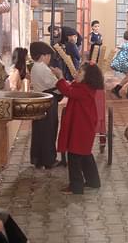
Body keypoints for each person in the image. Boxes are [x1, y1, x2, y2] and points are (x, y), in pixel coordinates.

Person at [51, 62, 104, 195]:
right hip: (82, 127)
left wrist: (61, 77)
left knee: (74, 156)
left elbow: (68, 91)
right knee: (85, 154)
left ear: (88, 76)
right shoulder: (83, 87)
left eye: (80, 72)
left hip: (81, 128)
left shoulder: (84, 89)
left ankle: (76, 186)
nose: (76, 74)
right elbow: (70, 89)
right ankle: (93, 181)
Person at [29, 41, 61, 169]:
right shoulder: (43, 68)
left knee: (39, 131)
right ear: (42, 55)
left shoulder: (34, 67)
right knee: (49, 131)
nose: (49, 59)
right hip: (48, 102)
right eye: (48, 56)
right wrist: (60, 77)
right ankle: (49, 160)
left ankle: (38, 159)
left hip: (39, 101)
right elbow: (56, 86)